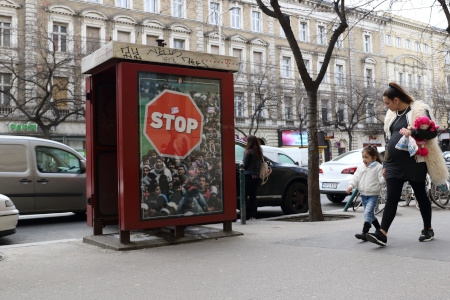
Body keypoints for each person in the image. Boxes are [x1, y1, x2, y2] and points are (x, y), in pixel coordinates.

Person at [366, 82, 448, 247]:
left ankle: (428, 229)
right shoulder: (393, 116)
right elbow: (390, 142)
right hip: (394, 165)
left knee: (420, 195)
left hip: (415, 163)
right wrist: (385, 165)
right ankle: (382, 233)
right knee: (392, 198)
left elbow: (432, 132)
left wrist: (413, 132)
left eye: (387, 103)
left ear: (396, 100)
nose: (386, 107)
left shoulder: (418, 110)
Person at [345, 146, 385, 241]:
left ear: (374, 158)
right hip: (363, 194)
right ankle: (378, 228)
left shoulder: (378, 167)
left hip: (373, 195)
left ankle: (364, 232)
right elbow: (355, 177)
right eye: (363, 157)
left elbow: (381, 181)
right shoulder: (361, 167)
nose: (364, 160)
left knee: (367, 213)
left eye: (366, 157)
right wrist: (350, 186)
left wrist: (384, 176)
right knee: (370, 214)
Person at [243, 135, 263, 220]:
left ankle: (245, 215)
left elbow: (245, 165)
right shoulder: (259, 151)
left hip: (248, 176)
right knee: (253, 197)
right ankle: (253, 215)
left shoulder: (249, 152)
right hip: (256, 176)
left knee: (244, 196)